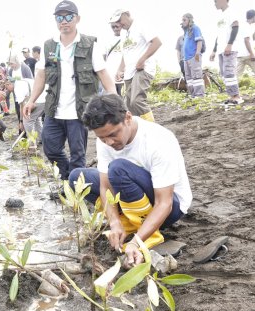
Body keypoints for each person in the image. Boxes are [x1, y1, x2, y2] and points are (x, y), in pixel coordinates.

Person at [69, 94, 192, 268]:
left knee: (118, 169)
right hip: (131, 192)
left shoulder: (158, 140)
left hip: (170, 207)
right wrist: (114, 222)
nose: (109, 142)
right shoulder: (105, 140)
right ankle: (126, 223)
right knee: (77, 178)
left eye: (113, 135)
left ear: (127, 118)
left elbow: (165, 203)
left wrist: (136, 243)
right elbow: (105, 188)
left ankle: (146, 234)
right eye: (102, 138)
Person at [24, 0, 115, 180]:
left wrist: (115, 103)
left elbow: (104, 76)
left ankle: (75, 189)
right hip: (54, 110)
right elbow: (41, 76)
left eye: (68, 16)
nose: (63, 21)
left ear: (77, 19)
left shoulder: (90, 45)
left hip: (79, 112)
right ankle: (69, 180)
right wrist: (31, 99)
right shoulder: (49, 46)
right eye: (59, 17)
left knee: (78, 155)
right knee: (50, 149)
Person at [110, 9, 161, 122]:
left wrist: (142, 60)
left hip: (143, 69)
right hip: (129, 73)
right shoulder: (123, 33)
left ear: (127, 14)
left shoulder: (141, 25)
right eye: (116, 21)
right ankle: (136, 131)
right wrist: (119, 70)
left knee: (137, 101)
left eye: (120, 19)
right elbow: (125, 53)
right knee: (128, 105)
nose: (119, 23)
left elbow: (157, 42)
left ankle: (152, 128)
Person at [210, 0, 243, 105]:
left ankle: (237, 96)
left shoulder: (231, 11)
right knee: (224, 74)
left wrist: (229, 44)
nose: (214, 3)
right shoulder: (220, 16)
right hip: (221, 49)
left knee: (229, 72)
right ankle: (231, 96)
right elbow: (218, 36)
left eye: (215, 1)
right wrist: (214, 50)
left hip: (229, 48)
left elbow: (235, 27)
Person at [182, 13, 206, 98]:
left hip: (194, 56)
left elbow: (199, 41)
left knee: (197, 77)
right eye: (182, 20)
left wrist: (197, 53)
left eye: (184, 20)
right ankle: (193, 95)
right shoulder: (186, 31)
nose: (183, 22)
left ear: (189, 20)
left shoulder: (195, 28)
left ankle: (199, 96)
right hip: (186, 58)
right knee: (189, 78)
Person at [105, 21, 124, 96]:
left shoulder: (127, 38)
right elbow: (103, 58)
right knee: (113, 100)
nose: (115, 28)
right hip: (110, 75)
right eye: (113, 27)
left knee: (125, 99)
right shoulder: (107, 40)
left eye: (117, 26)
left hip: (123, 75)